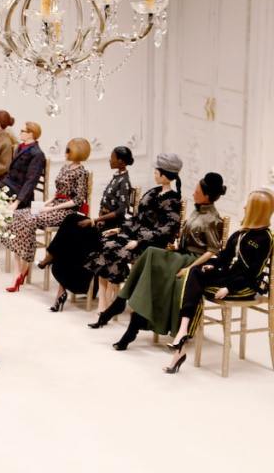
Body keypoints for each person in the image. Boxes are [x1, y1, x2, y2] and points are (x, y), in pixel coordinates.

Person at [89, 173, 226, 350]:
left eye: (197, 191)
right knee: (151, 252)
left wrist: (190, 268)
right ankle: (121, 304)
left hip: (192, 260)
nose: (193, 193)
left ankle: (125, 315)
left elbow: (213, 250)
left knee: (152, 258)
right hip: (181, 254)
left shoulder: (213, 218)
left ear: (206, 195)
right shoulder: (198, 210)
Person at [163, 189, 274, 374]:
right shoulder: (239, 234)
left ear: (257, 209)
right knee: (196, 272)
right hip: (229, 277)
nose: (244, 207)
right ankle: (182, 331)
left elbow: (252, 273)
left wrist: (229, 287)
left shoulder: (265, 239)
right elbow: (223, 258)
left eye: (248, 204)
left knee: (196, 286)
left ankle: (180, 344)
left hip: (245, 286)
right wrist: (211, 265)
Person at [85, 153, 183, 314]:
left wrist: (139, 242)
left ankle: (112, 299)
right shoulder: (152, 192)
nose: (154, 174)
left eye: (157, 171)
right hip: (134, 236)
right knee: (104, 244)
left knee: (116, 251)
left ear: (164, 175)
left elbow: (166, 230)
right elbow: (137, 218)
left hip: (151, 245)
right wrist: (119, 229)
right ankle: (104, 298)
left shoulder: (173, 201)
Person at [39, 146, 134, 312]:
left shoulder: (124, 182)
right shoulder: (117, 177)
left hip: (109, 230)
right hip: (100, 224)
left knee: (71, 229)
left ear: (121, 161)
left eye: (112, 157)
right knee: (71, 221)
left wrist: (94, 220)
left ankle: (51, 256)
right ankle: (59, 287)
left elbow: (120, 212)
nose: (109, 159)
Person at [1, 137, 90, 293]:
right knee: (16, 215)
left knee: (29, 219)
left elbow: (77, 200)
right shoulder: (65, 167)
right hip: (54, 206)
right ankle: (20, 270)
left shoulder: (81, 173)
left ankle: (23, 268)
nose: (65, 152)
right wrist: (46, 204)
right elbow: (57, 194)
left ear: (76, 152)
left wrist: (52, 209)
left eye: (68, 150)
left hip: (66, 211)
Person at [0, 121, 46, 210]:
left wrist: (17, 202)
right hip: (8, 185)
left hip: (18, 192)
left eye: (22, 131)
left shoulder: (37, 154)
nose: (20, 133)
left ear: (31, 134)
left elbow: (31, 181)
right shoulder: (20, 147)